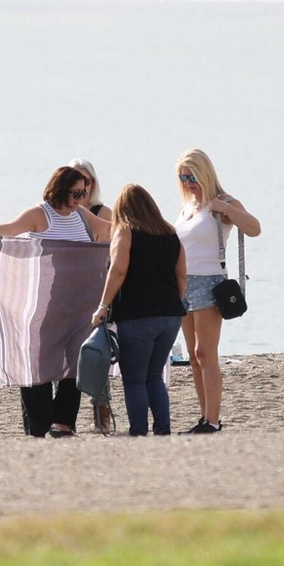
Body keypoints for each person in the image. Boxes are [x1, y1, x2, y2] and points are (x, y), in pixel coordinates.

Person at [0, 165, 110, 437]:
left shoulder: (81, 214)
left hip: (82, 303)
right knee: (37, 363)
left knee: (75, 363)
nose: (80, 198)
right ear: (60, 189)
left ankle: (63, 424)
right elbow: (8, 229)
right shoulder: (40, 214)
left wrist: (144, 228)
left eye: (84, 192)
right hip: (47, 303)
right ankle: (38, 426)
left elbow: (110, 230)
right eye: (75, 193)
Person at [173, 149, 262, 434]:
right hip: (183, 283)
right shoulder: (187, 205)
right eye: (183, 177)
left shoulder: (223, 202)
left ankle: (213, 420)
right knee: (192, 354)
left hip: (210, 283)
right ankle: (204, 417)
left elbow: (254, 228)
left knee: (205, 352)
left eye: (192, 176)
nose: (188, 182)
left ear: (205, 173)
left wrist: (226, 210)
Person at [92, 186, 186, 437]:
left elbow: (118, 270)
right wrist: (169, 304)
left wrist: (102, 306)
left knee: (134, 378)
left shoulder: (125, 230)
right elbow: (181, 277)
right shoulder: (171, 233)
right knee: (154, 376)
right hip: (170, 315)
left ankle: (139, 431)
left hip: (137, 315)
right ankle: (163, 428)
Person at [70, 158, 116, 433]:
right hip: (68, 293)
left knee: (97, 354)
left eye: (87, 180)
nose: (83, 186)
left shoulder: (103, 211)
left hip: (97, 293)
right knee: (65, 358)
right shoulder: (59, 211)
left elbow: (110, 250)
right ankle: (66, 419)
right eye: (77, 180)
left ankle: (102, 415)